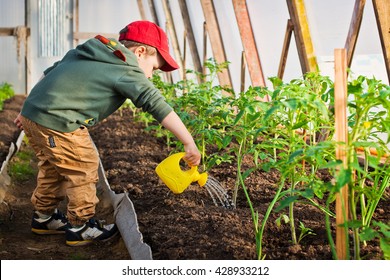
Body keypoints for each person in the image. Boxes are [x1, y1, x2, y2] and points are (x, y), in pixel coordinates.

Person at [14, 20, 201, 247]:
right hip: (60, 122)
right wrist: (188, 142)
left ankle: (44, 218)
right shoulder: (126, 68)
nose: (151, 76)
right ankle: (81, 226)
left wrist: (27, 109)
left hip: (36, 115)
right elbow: (155, 103)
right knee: (83, 166)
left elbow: (51, 72)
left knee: (54, 167)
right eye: (153, 67)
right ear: (140, 52)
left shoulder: (94, 51)